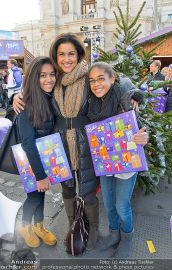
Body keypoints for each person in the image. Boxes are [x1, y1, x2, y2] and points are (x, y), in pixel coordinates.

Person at [13, 33, 142, 252]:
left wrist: (135, 95)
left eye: (71, 53)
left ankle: (91, 232)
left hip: (88, 142)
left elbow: (118, 81)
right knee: (68, 191)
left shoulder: (87, 75)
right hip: (60, 143)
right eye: (61, 54)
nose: (66, 59)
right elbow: (36, 91)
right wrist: (17, 95)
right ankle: (74, 229)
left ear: (79, 54)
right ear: (56, 56)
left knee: (89, 191)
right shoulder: (54, 79)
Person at [87, 62, 148, 258]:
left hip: (126, 164)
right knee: (109, 203)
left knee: (122, 205)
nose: (96, 84)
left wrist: (143, 138)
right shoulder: (92, 103)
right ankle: (114, 234)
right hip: (106, 163)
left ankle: (127, 238)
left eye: (101, 79)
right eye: (92, 81)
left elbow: (142, 129)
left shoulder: (125, 100)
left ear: (113, 79)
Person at [17, 56, 57, 248]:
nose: (48, 79)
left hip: (45, 160)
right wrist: (40, 175)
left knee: (40, 195)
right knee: (33, 197)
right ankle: (25, 227)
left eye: (51, 74)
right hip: (32, 163)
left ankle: (39, 226)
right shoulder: (27, 103)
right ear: (34, 77)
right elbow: (28, 144)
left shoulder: (50, 97)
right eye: (42, 75)